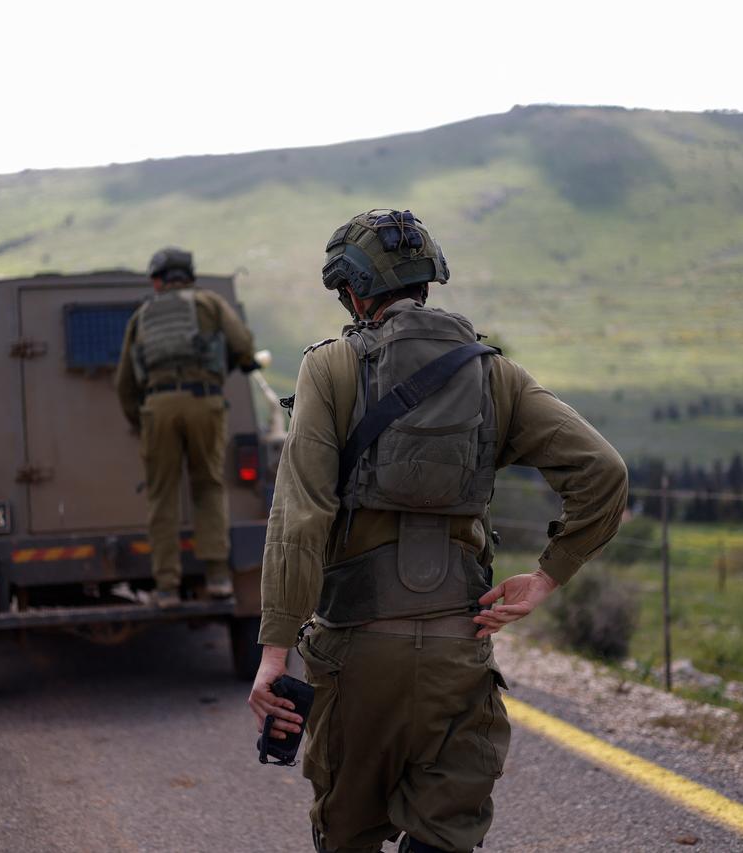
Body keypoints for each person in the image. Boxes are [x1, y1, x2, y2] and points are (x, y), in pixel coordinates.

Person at [247, 210, 628, 853]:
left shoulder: (330, 369)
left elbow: (299, 517)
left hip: (357, 651)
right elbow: (604, 471)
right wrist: (547, 576)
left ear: (354, 292)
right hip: (459, 649)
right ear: (427, 281)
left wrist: (274, 654)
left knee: (348, 833)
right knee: (445, 834)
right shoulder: (492, 372)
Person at [114, 247, 258, 609]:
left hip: (158, 407)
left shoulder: (142, 315)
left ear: (157, 281)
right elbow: (242, 344)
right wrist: (239, 362)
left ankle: (166, 587)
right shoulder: (210, 303)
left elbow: (124, 382)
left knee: (161, 495)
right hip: (204, 402)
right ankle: (218, 578)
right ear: (190, 277)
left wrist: (140, 420)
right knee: (208, 486)